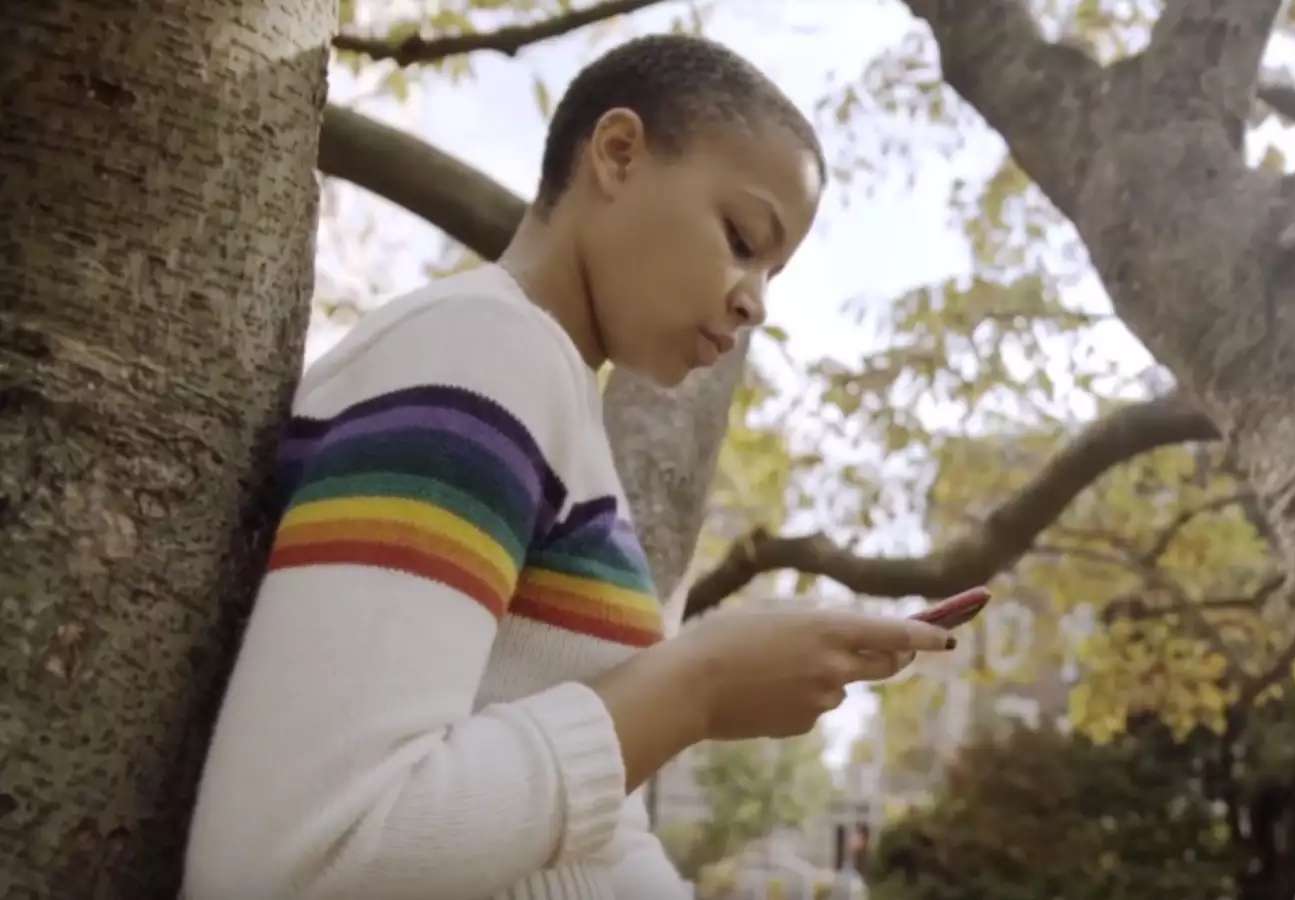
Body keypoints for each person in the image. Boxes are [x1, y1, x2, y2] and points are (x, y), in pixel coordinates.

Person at [181, 32, 956, 900]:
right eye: (742, 237)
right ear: (618, 154)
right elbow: (297, 858)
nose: (755, 301)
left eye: (772, 272)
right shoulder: (477, 351)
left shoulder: (549, 400)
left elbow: (587, 839)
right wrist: (695, 688)